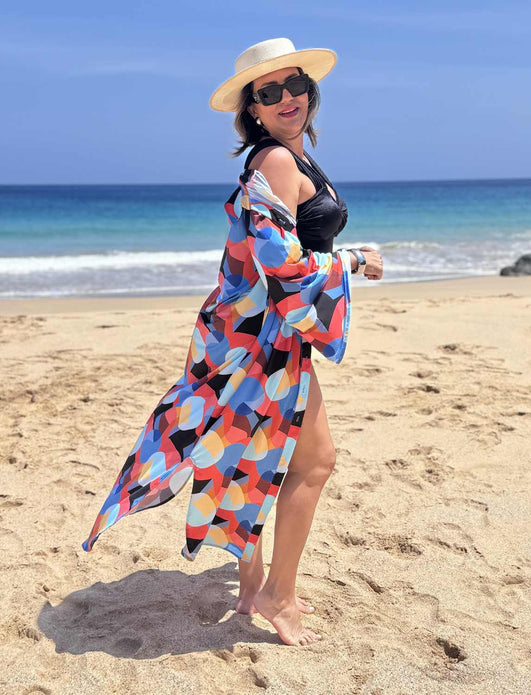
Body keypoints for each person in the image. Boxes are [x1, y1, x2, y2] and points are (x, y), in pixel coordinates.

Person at [82, 37, 384, 647]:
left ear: (310, 90)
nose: (287, 98)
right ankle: (278, 595)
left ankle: (250, 583)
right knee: (315, 461)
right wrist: (353, 260)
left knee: (246, 451)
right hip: (261, 339)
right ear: (253, 108)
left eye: (295, 85)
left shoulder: (288, 157)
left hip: (254, 331)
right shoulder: (276, 162)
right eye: (269, 92)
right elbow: (280, 260)